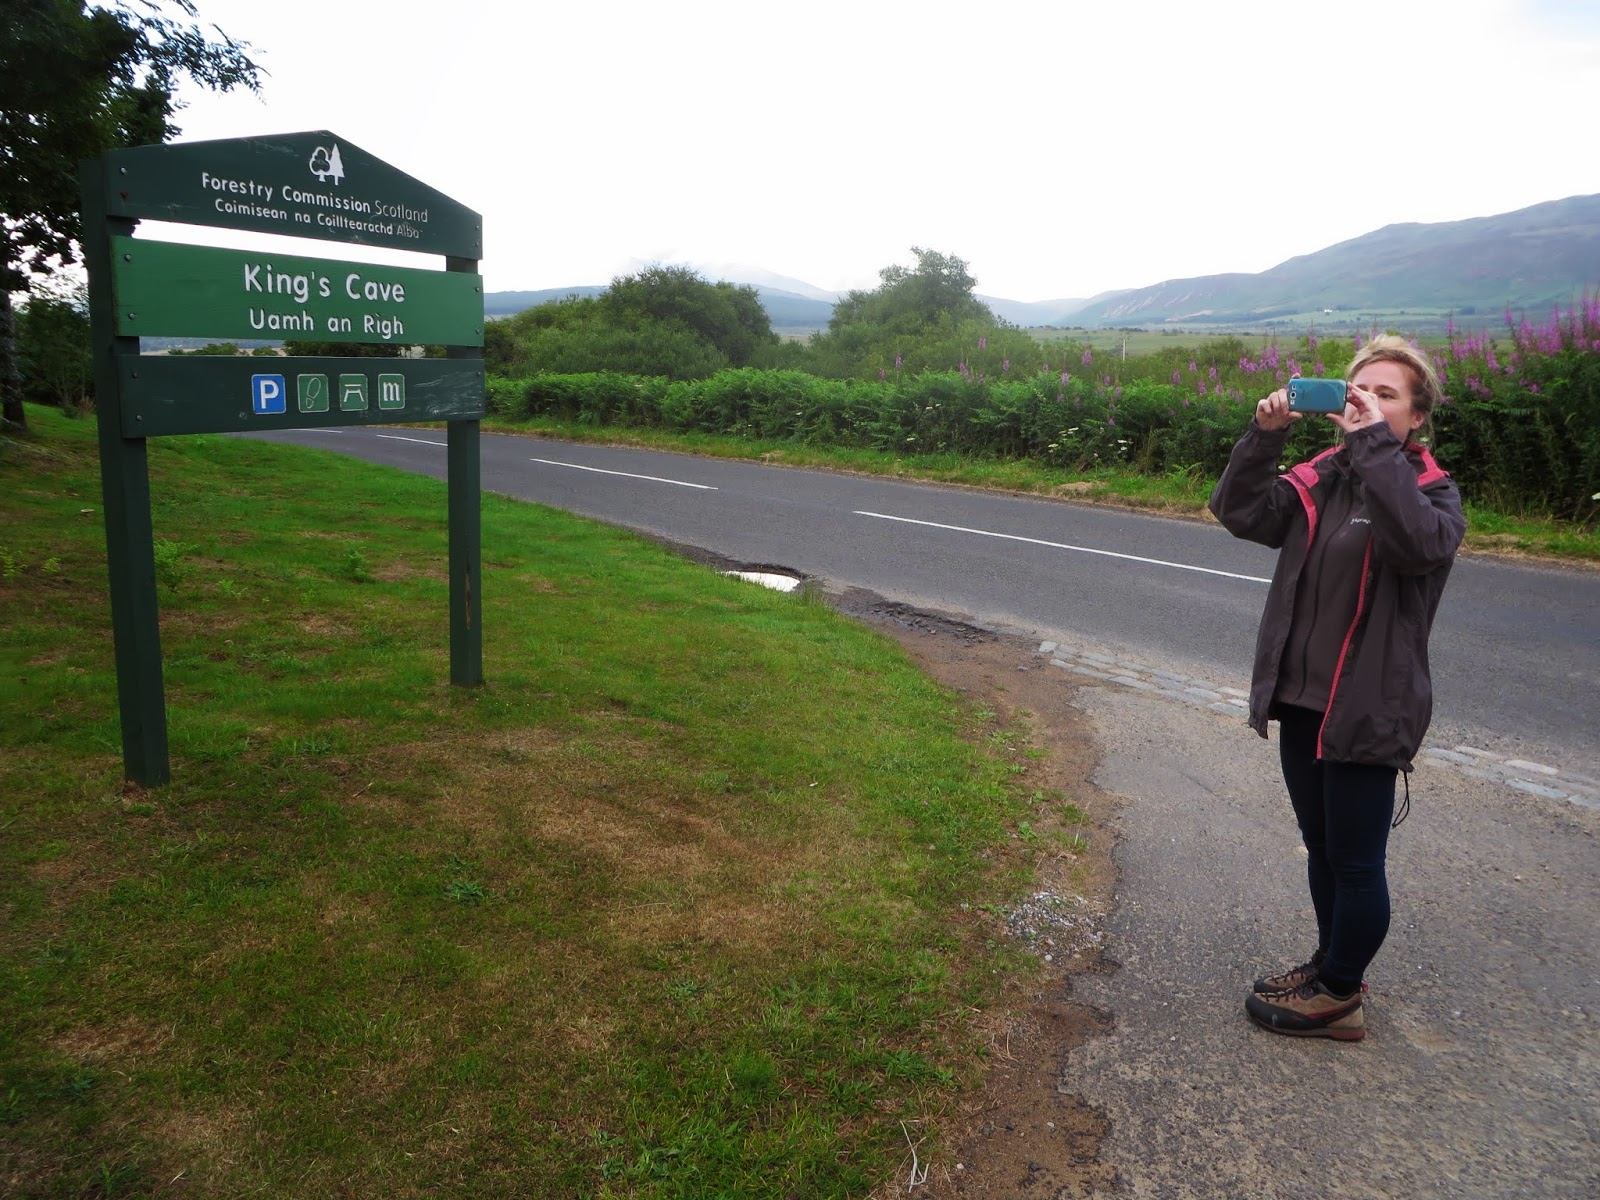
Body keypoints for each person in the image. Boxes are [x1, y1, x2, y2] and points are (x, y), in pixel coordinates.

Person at [1209, 335, 1466, 1041]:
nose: (1370, 402)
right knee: (1321, 848)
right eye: (1362, 390)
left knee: (1355, 862)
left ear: (1417, 416)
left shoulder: (1433, 493)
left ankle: (1340, 996)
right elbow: (1241, 513)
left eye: (1389, 395)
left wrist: (1373, 446)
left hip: (1367, 705)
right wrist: (1264, 437)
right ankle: (1328, 967)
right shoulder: (1324, 476)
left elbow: (1415, 544)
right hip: (1303, 701)